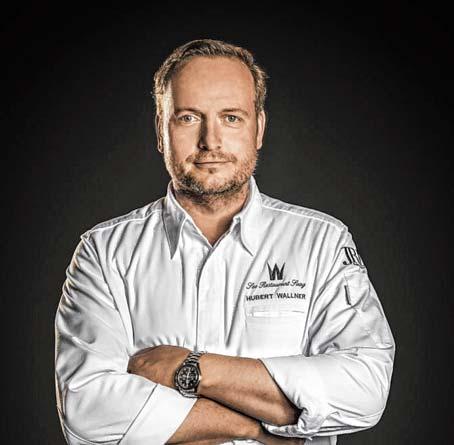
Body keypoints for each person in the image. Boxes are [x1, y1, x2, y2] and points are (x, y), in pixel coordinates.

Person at [54, 39, 396, 445]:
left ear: (259, 128)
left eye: (231, 118)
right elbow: (86, 409)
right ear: (161, 130)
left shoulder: (320, 242)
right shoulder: (105, 252)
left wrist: (192, 369)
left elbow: (365, 390)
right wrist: (255, 424)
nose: (210, 141)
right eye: (188, 118)